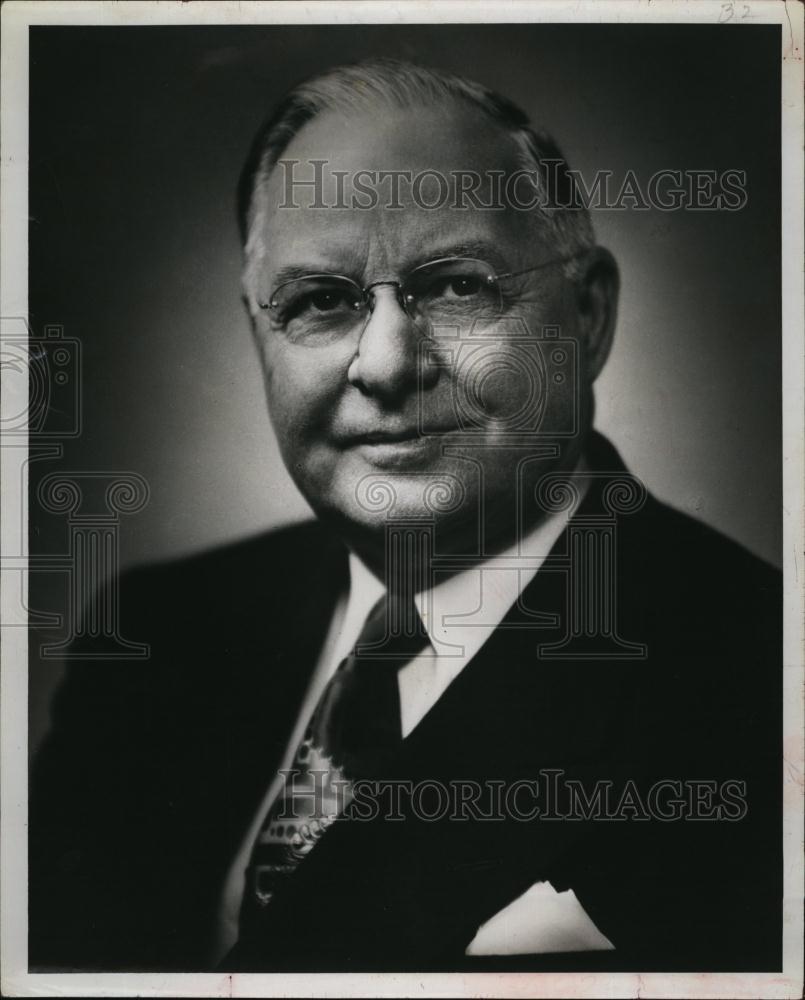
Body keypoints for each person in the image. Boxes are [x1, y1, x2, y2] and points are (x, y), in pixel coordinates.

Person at [29, 59, 781, 974]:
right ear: (256, 338)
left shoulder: (762, 679)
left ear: (587, 317)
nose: (386, 364)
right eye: (320, 302)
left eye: (458, 286)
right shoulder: (157, 631)